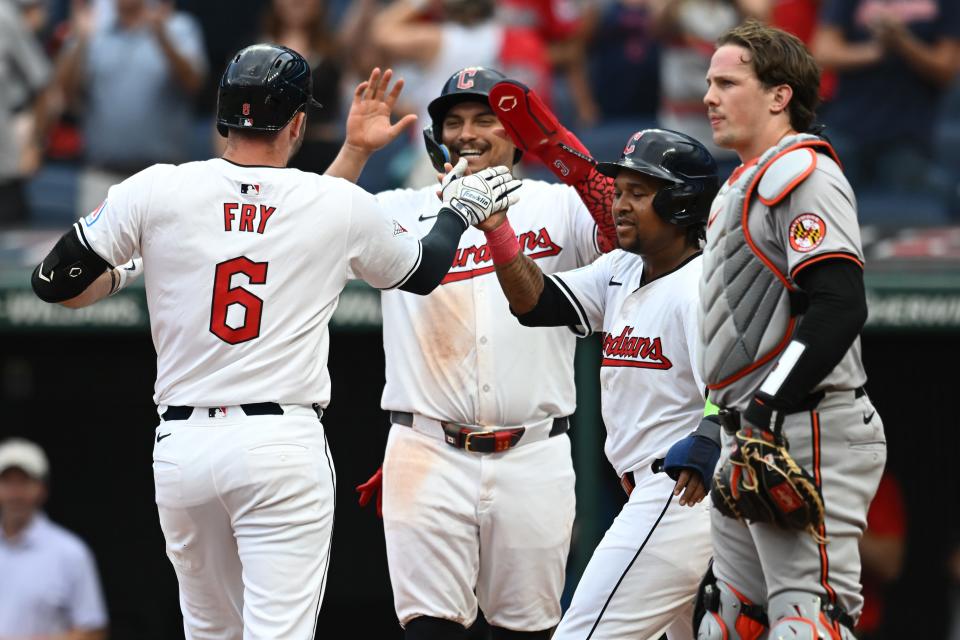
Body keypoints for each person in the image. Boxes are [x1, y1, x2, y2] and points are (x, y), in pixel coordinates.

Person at [29, 44, 518, 639]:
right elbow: (421, 269)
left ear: (223, 115)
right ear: (297, 123)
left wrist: (132, 270)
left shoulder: (158, 188)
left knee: (209, 630)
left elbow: (55, 284)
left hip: (182, 446)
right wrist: (458, 212)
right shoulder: (330, 203)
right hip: (278, 443)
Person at [329, 65, 617, 639]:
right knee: (431, 631)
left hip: (534, 450)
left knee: (528, 631)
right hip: (428, 449)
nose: (468, 133)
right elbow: (306, 233)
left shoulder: (556, 204)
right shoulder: (400, 209)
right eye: (455, 122)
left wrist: (558, 145)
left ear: (516, 134)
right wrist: (355, 152)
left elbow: (624, 225)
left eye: (487, 118)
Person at [485, 126, 722, 639]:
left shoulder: (699, 288)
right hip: (649, 489)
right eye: (619, 192)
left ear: (682, 203)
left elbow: (728, 395)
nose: (620, 205)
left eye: (639, 193)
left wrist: (709, 432)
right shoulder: (619, 268)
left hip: (680, 489)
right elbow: (537, 303)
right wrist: (499, 231)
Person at [695, 20, 886, 638]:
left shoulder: (804, 173)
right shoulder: (740, 183)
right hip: (749, 430)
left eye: (727, 82)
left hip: (807, 423)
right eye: (708, 82)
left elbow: (838, 306)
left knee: (807, 618)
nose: (709, 97)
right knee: (731, 619)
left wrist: (767, 408)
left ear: (780, 95)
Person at [56, 0, 209, 217]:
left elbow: (195, 84)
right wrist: (80, 41)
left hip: (163, 179)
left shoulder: (177, 26)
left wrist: (163, 38)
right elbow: (64, 92)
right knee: (95, 251)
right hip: (102, 176)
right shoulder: (92, 27)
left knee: (164, 250)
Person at [0, 438, 108, 640]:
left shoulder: (70, 552)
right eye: (6, 482)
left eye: (24, 482)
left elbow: (93, 632)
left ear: (42, 488)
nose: (15, 493)